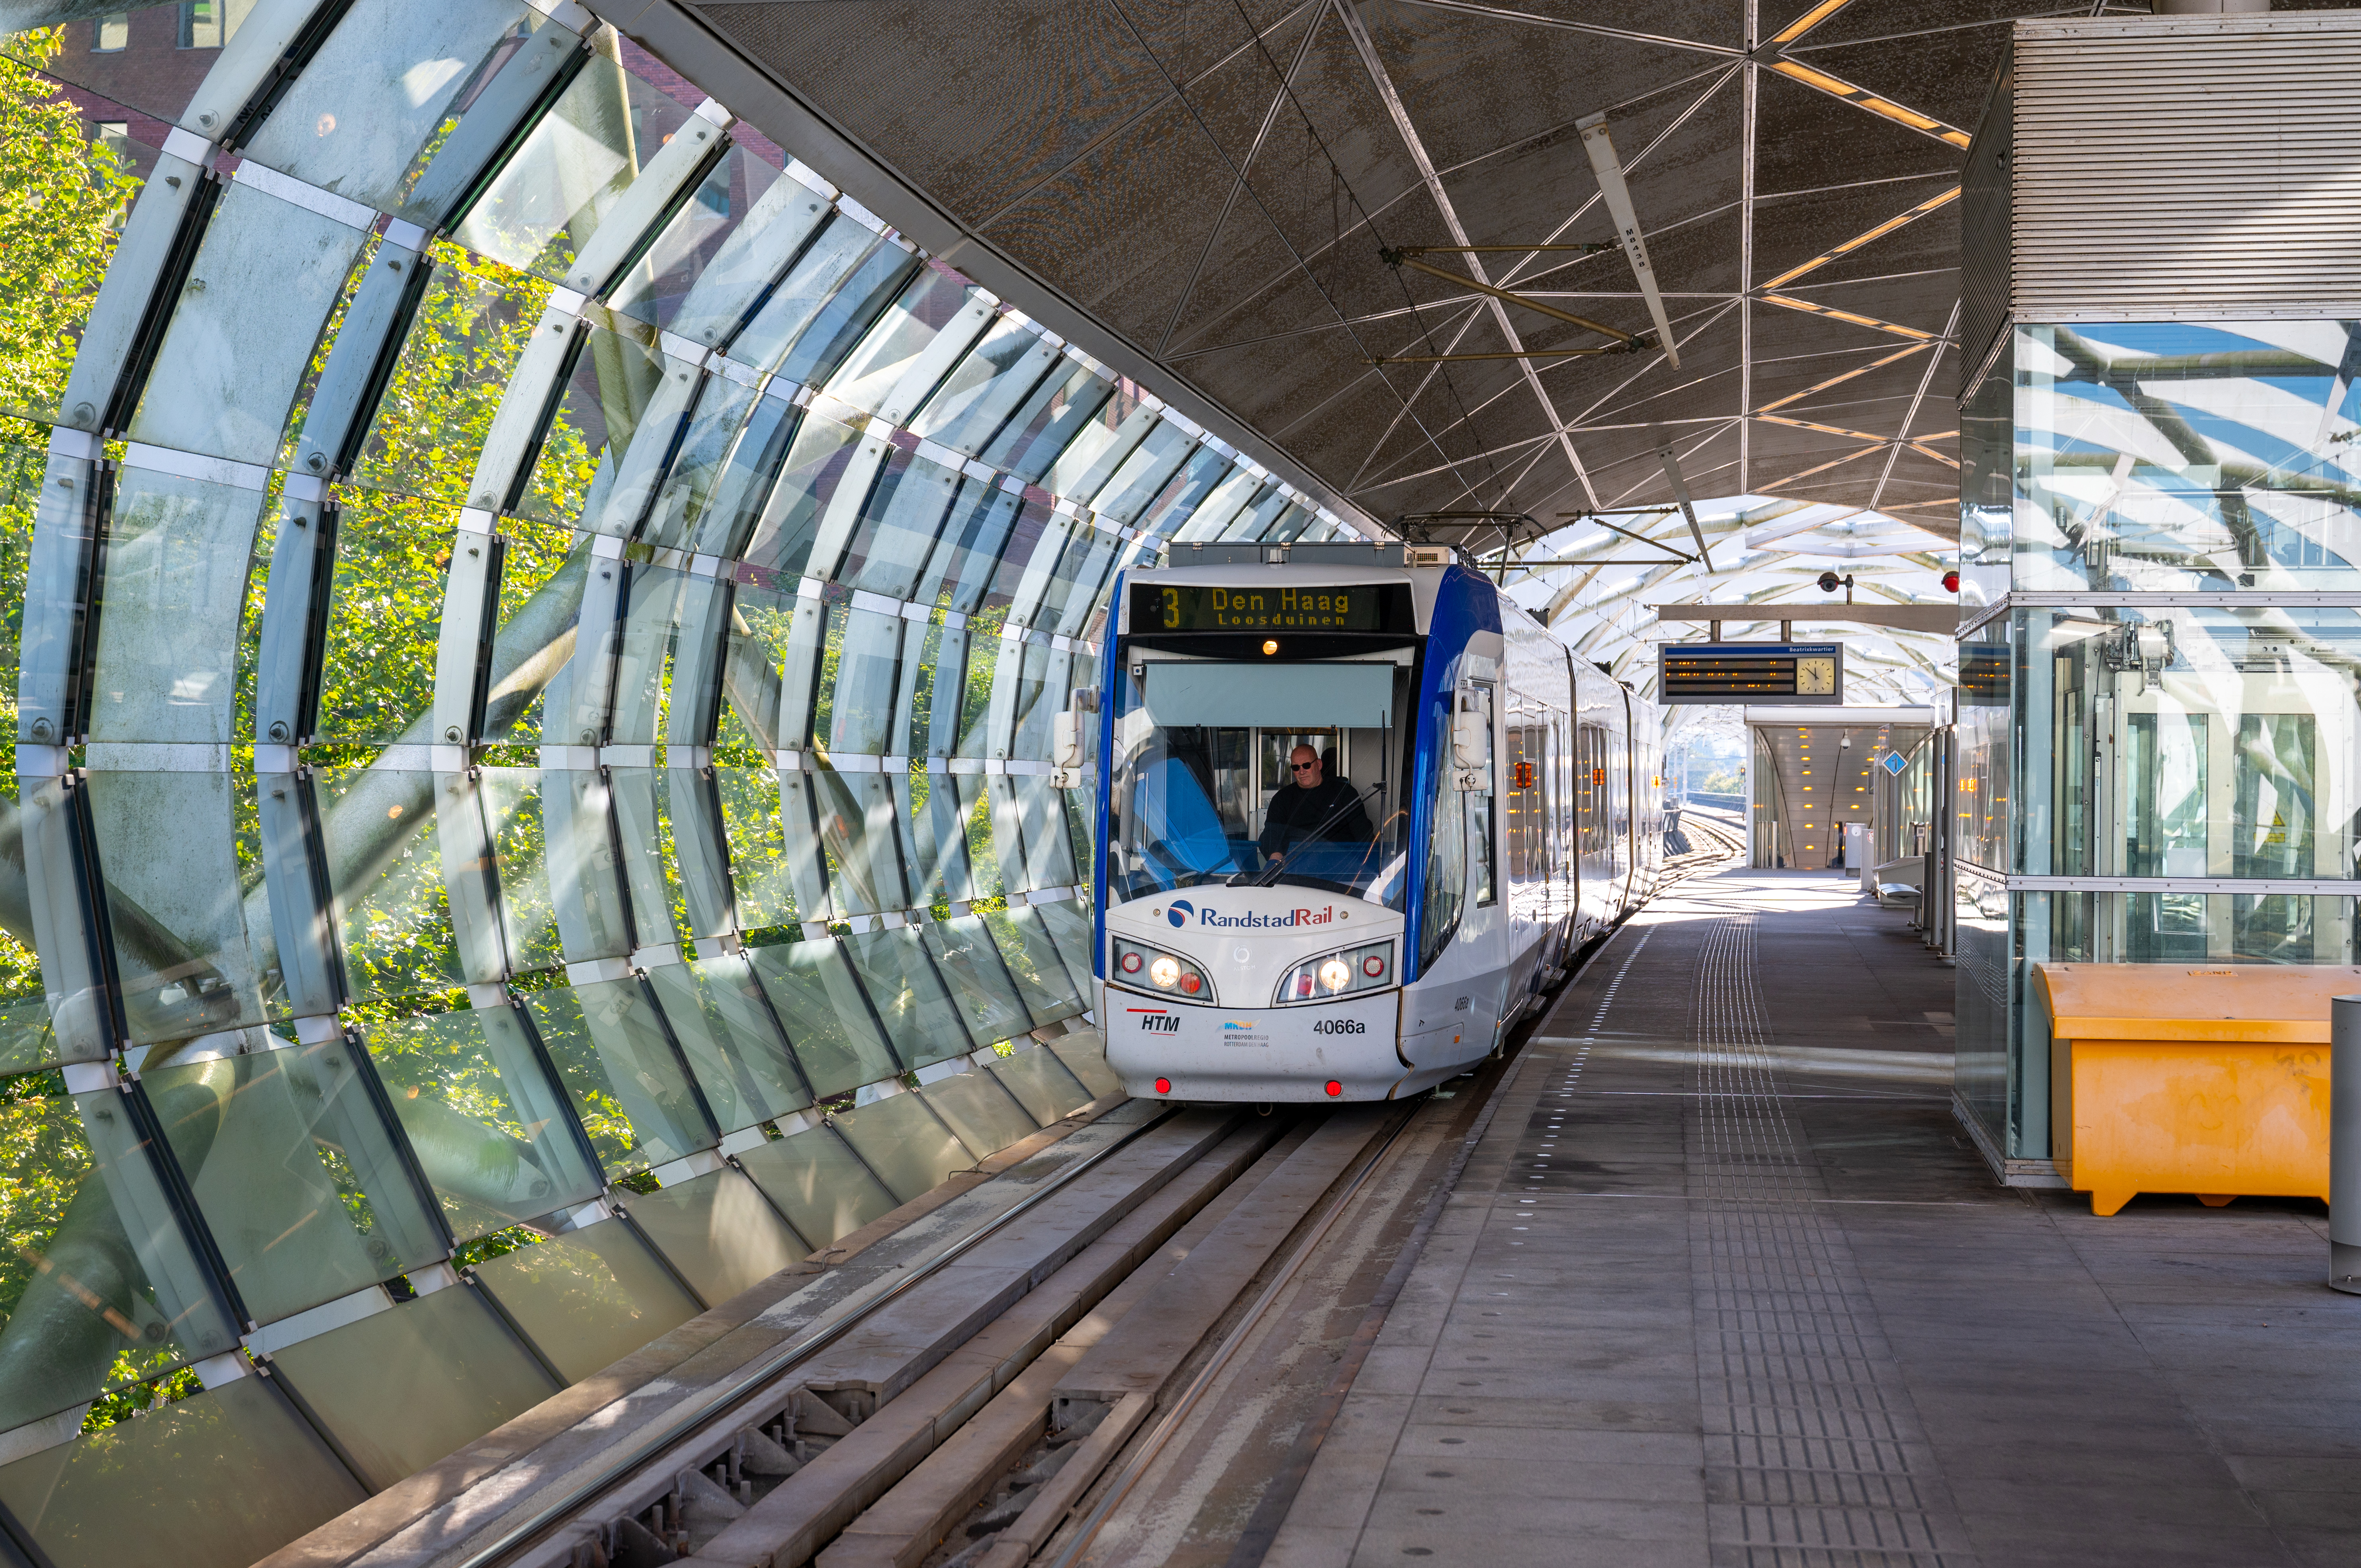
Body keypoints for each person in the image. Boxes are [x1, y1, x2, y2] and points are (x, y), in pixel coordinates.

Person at [1258, 744, 1372, 861]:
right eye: (1296, 768)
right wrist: (1275, 857)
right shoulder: (1282, 799)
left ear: (1319, 765)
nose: (1301, 772)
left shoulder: (1344, 793)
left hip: (1341, 868)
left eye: (1306, 766)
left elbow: (1363, 834)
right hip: (1297, 868)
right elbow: (1271, 834)